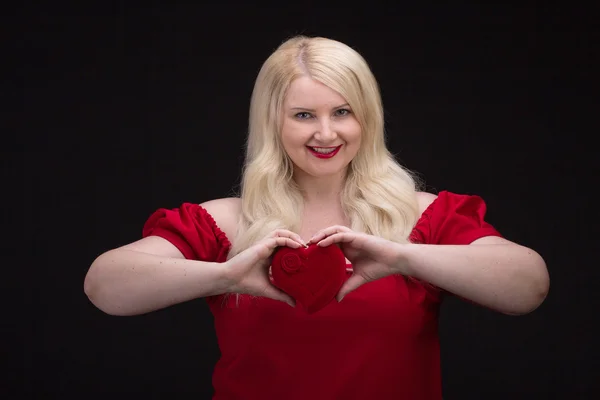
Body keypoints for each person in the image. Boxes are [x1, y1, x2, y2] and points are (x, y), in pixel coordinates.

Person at [83, 35, 550, 399]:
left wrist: (405, 258)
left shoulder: (422, 218)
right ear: (273, 124)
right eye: (304, 114)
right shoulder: (224, 223)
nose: (326, 133)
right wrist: (225, 276)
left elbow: (527, 287)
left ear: (366, 118)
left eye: (342, 112)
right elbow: (105, 287)